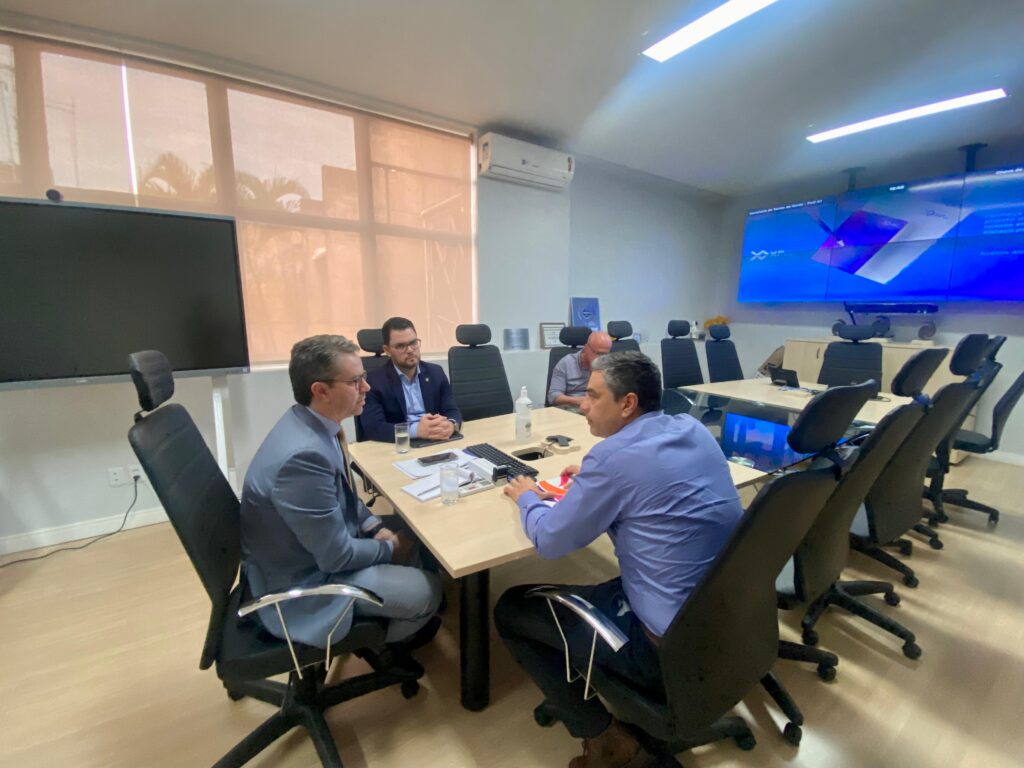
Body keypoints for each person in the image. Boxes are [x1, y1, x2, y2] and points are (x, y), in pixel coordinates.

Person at [495, 351, 744, 768]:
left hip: (665, 649)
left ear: (627, 403)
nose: (582, 404)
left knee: (511, 607)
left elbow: (551, 541)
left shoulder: (612, 459)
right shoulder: (693, 429)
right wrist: (597, 482)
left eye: (593, 395)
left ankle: (605, 740)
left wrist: (526, 499)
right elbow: (653, 493)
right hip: (727, 617)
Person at [240, 334, 442, 653]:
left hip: (317, 548)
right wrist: (390, 548)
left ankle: (394, 609)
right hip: (308, 580)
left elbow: (345, 494)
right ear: (320, 390)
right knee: (429, 590)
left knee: (419, 537)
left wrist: (375, 527)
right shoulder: (302, 458)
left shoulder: (311, 423)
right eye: (355, 381)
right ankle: (383, 647)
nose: (367, 387)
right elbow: (336, 557)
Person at [357, 317, 463, 443]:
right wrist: (415, 430)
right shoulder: (373, 382)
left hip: (435, 440)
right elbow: (374, 427)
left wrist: (451, 425)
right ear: (387, 350)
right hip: (400, 445)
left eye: (413, 343)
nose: (410, 350)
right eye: (401, 346)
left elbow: (452, 410)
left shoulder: (436, 372)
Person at [547, 331, 613, 407]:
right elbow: (553, 396)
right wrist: (579, 401)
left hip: (597, 406)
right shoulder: (566, 363)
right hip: (572, 407)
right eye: (599, 353)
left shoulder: (608, 364)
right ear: (586, 348)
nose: (602, 358)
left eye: (605, 354)